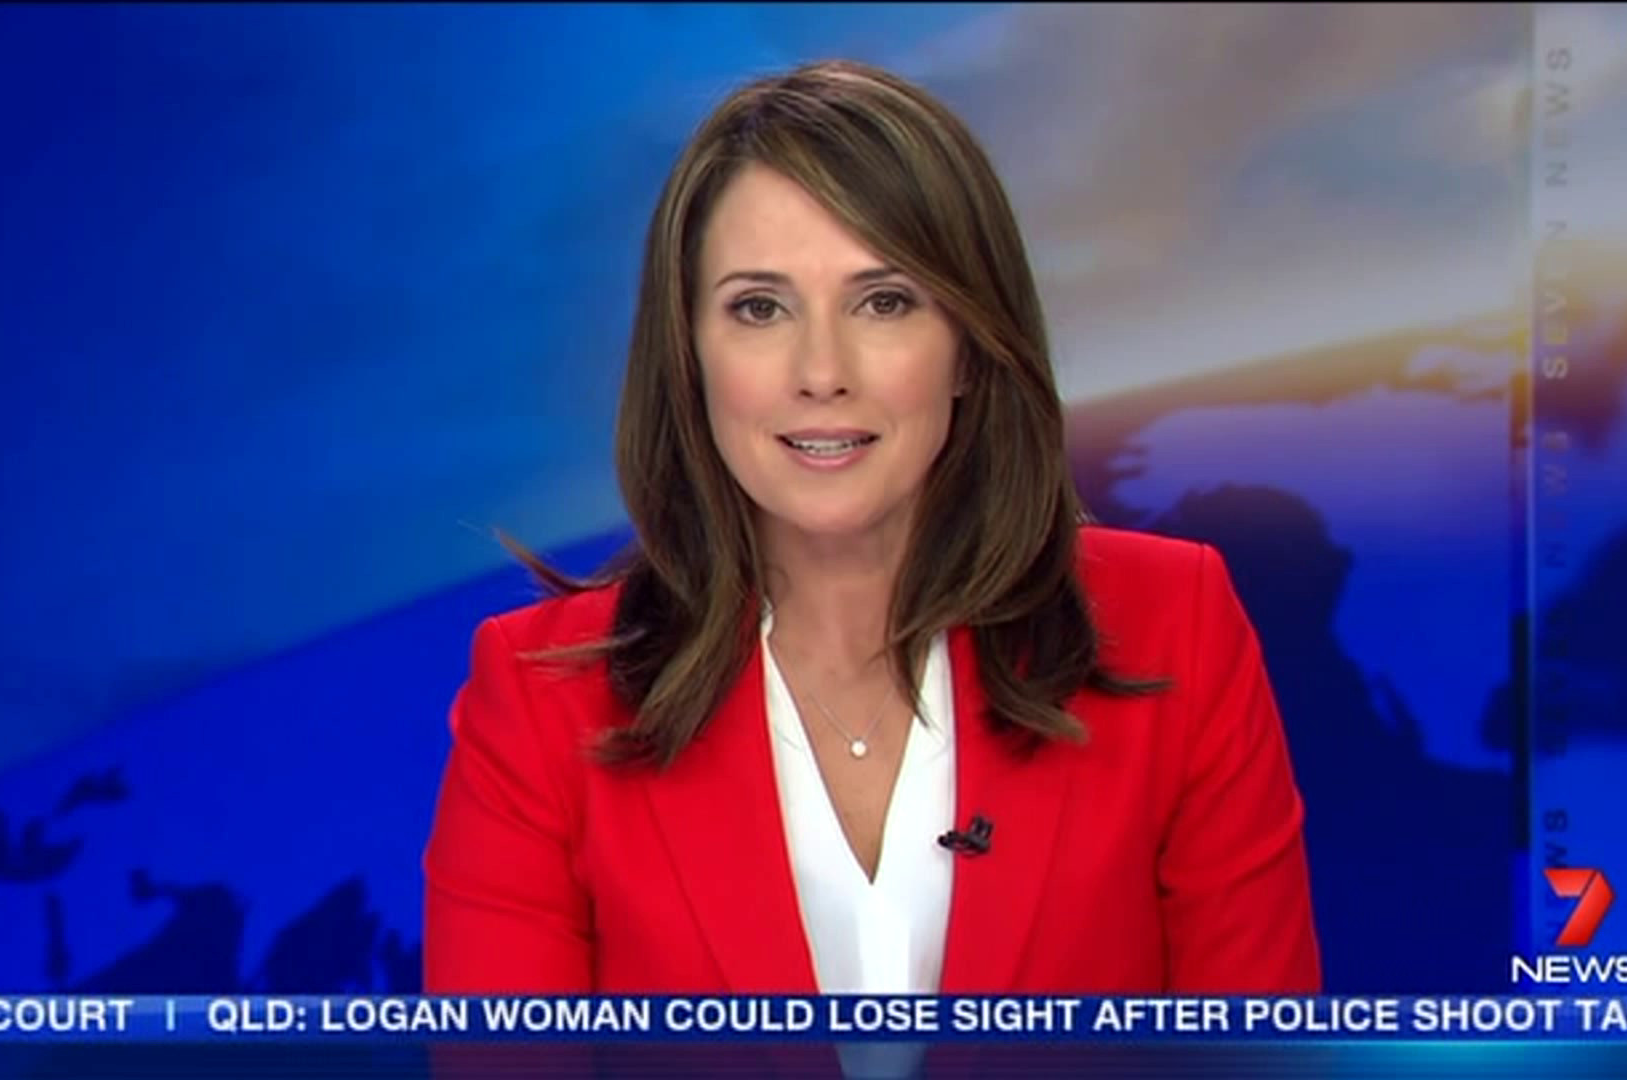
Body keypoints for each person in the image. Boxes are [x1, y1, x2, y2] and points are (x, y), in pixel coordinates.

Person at [423, 58, 1321, 997]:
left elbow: (1254, 1050)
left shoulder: (1176, 626)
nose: (822, 372)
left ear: (970, 347)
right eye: (760, 308)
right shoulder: (541, 702)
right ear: (688, 356)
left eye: (883, 302)